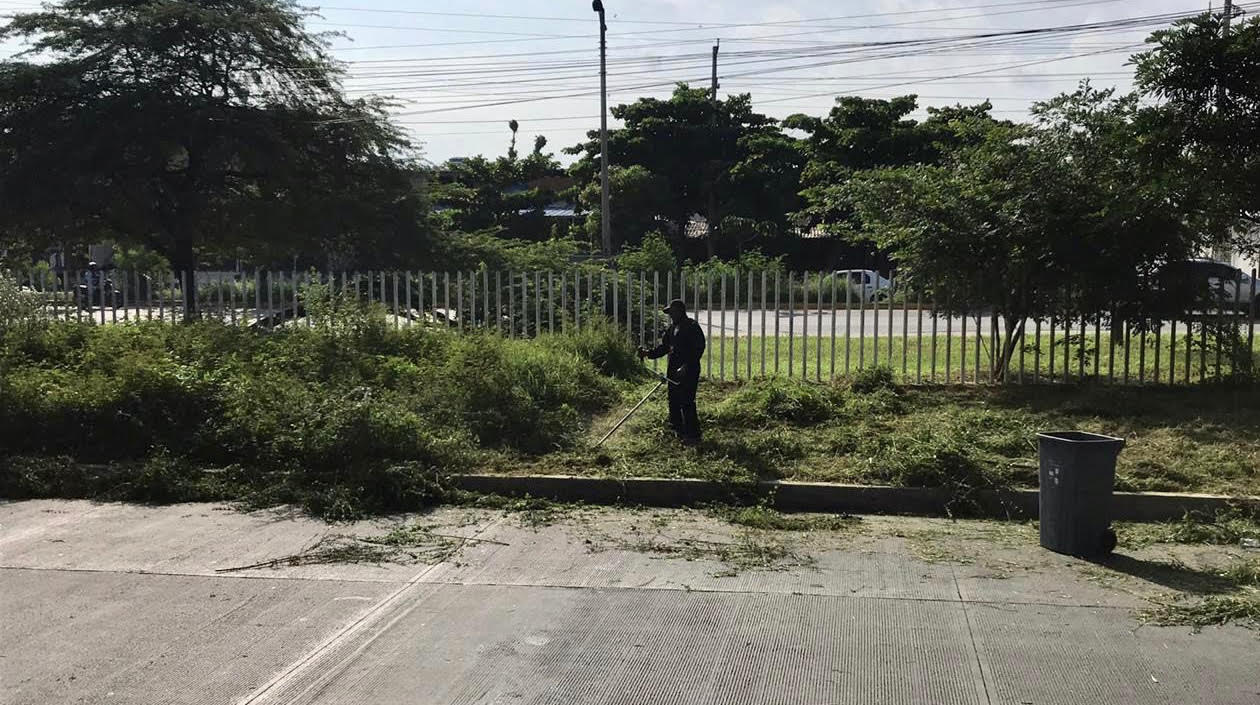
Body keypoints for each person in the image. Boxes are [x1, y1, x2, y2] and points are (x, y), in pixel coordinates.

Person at [638, 299, 706, 444]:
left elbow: (698, 348)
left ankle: (693, 435)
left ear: (680, 311)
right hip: (674, 370)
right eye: (669, 313)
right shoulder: (672, 329)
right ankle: (677, 430)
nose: (671, 316)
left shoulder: (692, 327)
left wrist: (687, 366)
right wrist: (648, 353)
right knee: (673, 400)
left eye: (672, 312)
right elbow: (664, 347)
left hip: (689, 370)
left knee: (687, 401)